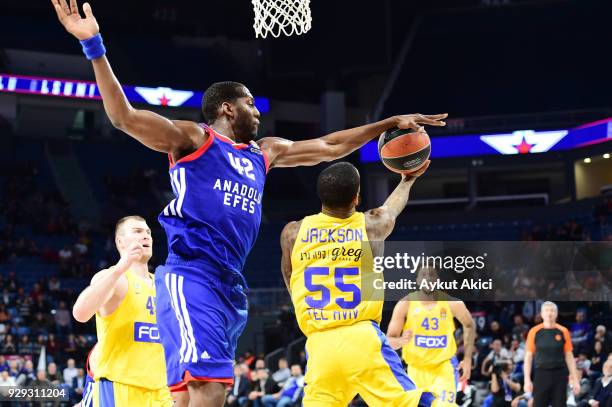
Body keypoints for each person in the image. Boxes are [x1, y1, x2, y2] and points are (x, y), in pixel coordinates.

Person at [51, 1, 447, 405]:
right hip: (192, 274)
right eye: (250, 104)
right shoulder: (195, 139)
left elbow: (330, 145)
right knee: (210, 388)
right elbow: (124, 117)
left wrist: (387, 123)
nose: (257, 112)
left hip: (229, 282)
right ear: (227, 108)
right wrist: (94, 45)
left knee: (189, 395)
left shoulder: (264, 153)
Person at [279, 161, 435, 406]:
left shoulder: (293, 232)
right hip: (361, 336)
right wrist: (408, 179)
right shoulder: (371, 225)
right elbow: (390, 209)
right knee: (413, 401)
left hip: (320, 344)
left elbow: (290, 276)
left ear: (321, 196)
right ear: (356, 198)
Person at [71, 216, 172, 406]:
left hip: (161, 391)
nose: (146, 236)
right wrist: (120, 267)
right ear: (120, 241)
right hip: (121, 387)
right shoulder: (115, 278)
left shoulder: (163, 284)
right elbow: (80, 313)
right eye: (137, 231)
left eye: (148, 232)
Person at [387, 266, 476, 405]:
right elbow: (389, 340)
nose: (428, 279)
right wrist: (401, 341)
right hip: (416, 370)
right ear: (417, 280)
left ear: (437, 280)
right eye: (423, 275)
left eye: (432, 275)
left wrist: (468, 358)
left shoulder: (452, 303)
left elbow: (469, 325)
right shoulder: (405, 304)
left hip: (443, 368)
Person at [523, 301, 580, 407]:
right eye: (547, 310)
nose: (549, 313)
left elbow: (569, 357)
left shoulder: (563, 331)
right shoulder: (534, 331)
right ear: (542, 313)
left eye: (552, 311)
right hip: (541, 374)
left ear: (556, 314)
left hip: (560, 375)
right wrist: (527, 379)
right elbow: (528, 357)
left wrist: (575, 379)